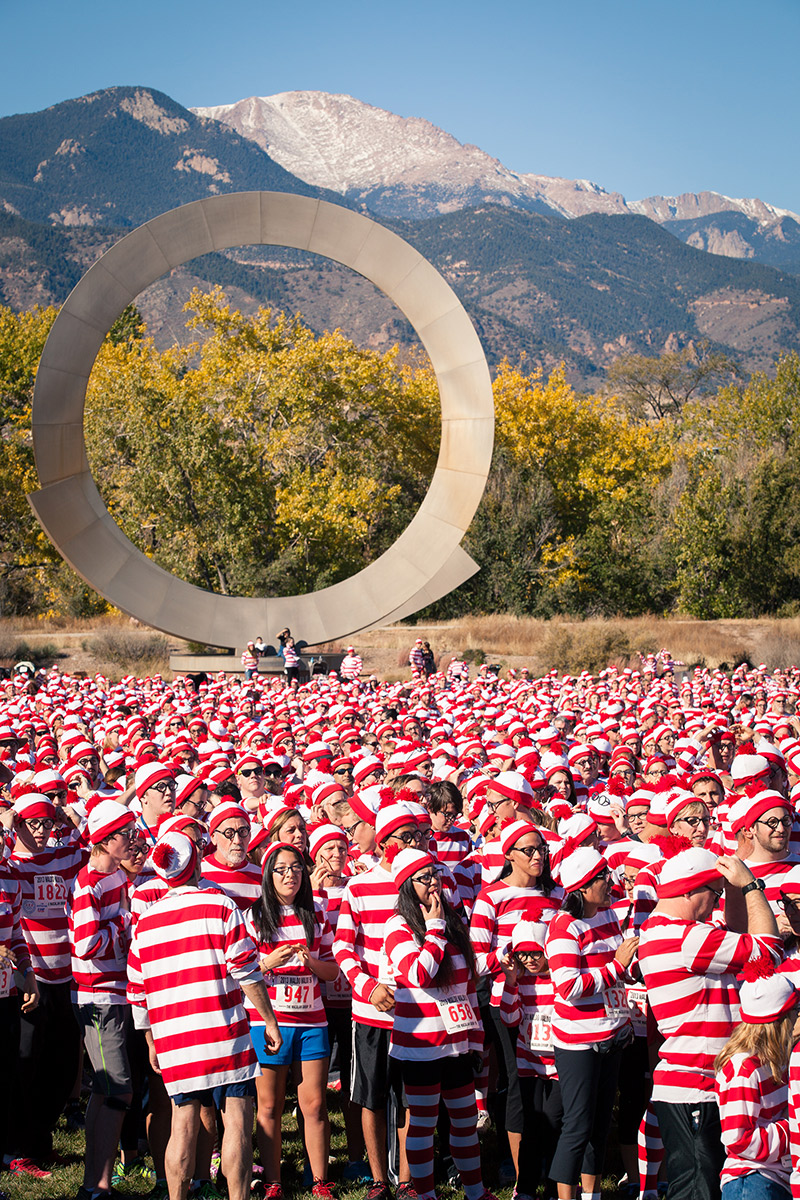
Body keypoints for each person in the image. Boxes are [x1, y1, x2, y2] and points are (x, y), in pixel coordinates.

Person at [127, 830, 282, 1200]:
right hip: (222, 1030)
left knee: (182, 1124)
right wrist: (270, 1020)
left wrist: (151, 1041)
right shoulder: (221, 906)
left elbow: (137, 991)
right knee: (238, 1122)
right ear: (196, 862)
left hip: (175, 1037)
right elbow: (246, 971)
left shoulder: (145, 923)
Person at [638, 847, 783, 1200]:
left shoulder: (667, 931)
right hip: (695, 1088)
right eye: (715, 893)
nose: (717, 902)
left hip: (695, 1083)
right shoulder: (686, 939)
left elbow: (735, 931)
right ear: (689, 891)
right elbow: (767, 953)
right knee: (695, 1193)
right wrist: (751, 887)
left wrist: (731, 888)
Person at [385, 845, 495, 1200]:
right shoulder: (397, 926)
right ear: (406, 885)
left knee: (464, 1123)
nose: (434, 883)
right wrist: (433, 931)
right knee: (423, 1123)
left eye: (435, 875)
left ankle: (475, 1192)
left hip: (457, 1043)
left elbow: (467, 985)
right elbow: (419, 974)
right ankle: (426, 1194)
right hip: (420, 1047)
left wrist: (475, 1040)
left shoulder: (451, 921)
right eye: (424, 878)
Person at [545, 847, 639, 1200]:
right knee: (578, 1125)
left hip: (612, 1033)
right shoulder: (564, 926)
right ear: (583, 887)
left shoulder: (608, 915)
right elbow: (568, 986)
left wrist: (629, 969)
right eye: (602, 877)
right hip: (579, 1041)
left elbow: (619, 971)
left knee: (600, 1125)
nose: (610, 882)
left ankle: (592, 1195)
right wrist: (617, 966)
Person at [247, 841, 339, 1200]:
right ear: (268, 874)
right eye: (281, 869)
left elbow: (333, 969)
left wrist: (310, 964)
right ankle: (273, 1182)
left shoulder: (316, 912)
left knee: (314, 1104)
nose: (290, 875)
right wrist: (272, 962)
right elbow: (242, 971)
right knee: (269, 1105)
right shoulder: (254, 916)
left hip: (312, 1021)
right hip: (268, 1021)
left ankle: (319, 1181)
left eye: (297, 868)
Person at [68, 799, 137, 1200]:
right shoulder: (89, 881)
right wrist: (126, 923)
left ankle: (94, 1184)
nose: (132, 841)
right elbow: (87, 943)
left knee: (105, 1090)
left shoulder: (115, 876)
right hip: (97, 997)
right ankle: (98, 1185)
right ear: (106, 840)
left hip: (113, 994)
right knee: (118, 1090)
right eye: (125, 835)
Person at [715, 967, 796, 1200]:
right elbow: (738, 1138)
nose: (796, 1018)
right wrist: (791, 1130)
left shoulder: (774, 1060)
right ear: (778, 1022)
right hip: (751, 1181)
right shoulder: (744, 1068)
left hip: (775, 1177)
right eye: (794, 1011)